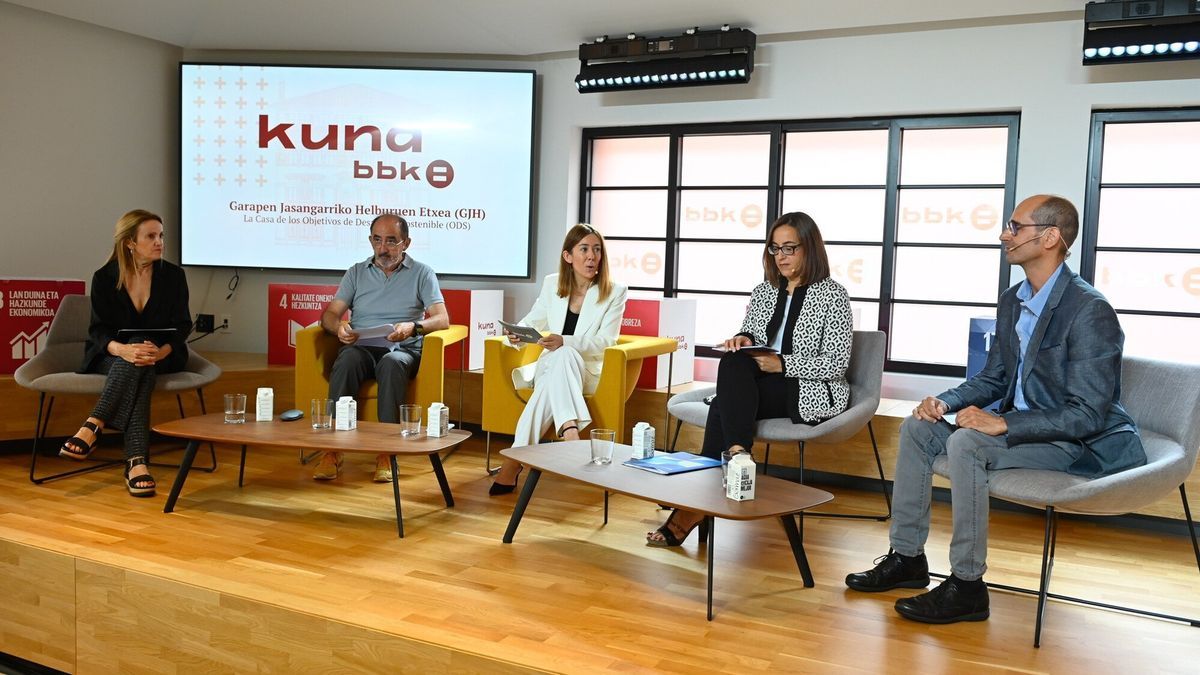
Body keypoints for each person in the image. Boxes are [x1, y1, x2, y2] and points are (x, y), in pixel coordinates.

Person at [845, 194, 1147, 624]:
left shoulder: (1089, 310)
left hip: (1071, 441)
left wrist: (1003, 421)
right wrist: (944, 401)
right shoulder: (1013, 299)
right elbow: (995, 377)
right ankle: (907, 558)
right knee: (916, 429)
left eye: (1014, 226)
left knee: (967, 442)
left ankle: (968, 586)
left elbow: (1087, 413)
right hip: (1018, 428)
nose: (1004, 234)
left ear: (1050, 237)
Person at [646, 212, 854, 545]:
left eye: (790, 248)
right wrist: (742, 339)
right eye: (775, 249)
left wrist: (782, 364)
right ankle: (739, 454)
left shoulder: (833, 295)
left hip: (809, 389)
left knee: (723, 406)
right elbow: (754, 334)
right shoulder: (764, 291)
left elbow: (836, 364)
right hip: (759, 382)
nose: (781, 256)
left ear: (810, 248)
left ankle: (694, 507)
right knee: (732, 361)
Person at [59, 209, 193, 497]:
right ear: (130, 242)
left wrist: (160, 353)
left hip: (162, 355)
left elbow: (183, 326)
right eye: (151, 236)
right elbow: (98, 331)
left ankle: (93, 425)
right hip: (110, 355)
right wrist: (123, 350)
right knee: (136, 362)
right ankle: (136, 463)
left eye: (161, 235)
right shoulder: (104, 278)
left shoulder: (173, 276)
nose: (160, 242)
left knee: (141, 356)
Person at [490, 224, 627, 495]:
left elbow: (606, 342)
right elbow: (533, 320)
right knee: (558, 358)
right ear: (568, 256)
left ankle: (514, 460)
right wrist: (516, 334)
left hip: (586, 372)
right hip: (551, 366)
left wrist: (566, 341)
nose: (592, 257)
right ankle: (570, 429)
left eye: (597, 250)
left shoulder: (615, 291)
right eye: (584, 249)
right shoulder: (553, 283)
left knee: (561, 358)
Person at [312, 213, 449, 482]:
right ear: (370, 240)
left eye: (391, 241)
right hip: (362, 346)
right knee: (347, 359)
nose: (383, 248)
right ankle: (333, 450)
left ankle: (387, 453)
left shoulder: (422, 273)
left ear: (406, 243)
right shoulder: (356, 272)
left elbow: (442, 318)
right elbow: (330, 314)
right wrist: (338, 327)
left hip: (402, 350)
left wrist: (413, 327)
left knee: (391, 363)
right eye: (377, 240)